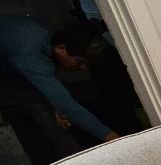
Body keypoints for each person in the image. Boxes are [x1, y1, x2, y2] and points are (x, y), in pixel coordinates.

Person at [0, 12, 118, 143]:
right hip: (11, 62)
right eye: (79, 61)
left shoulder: (47, 32)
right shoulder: (29, 54)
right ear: (60, 49)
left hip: (11, 50)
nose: (83, 68)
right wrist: (113, 138)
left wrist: (58, 103)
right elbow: (70, 108)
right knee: (38, 104)